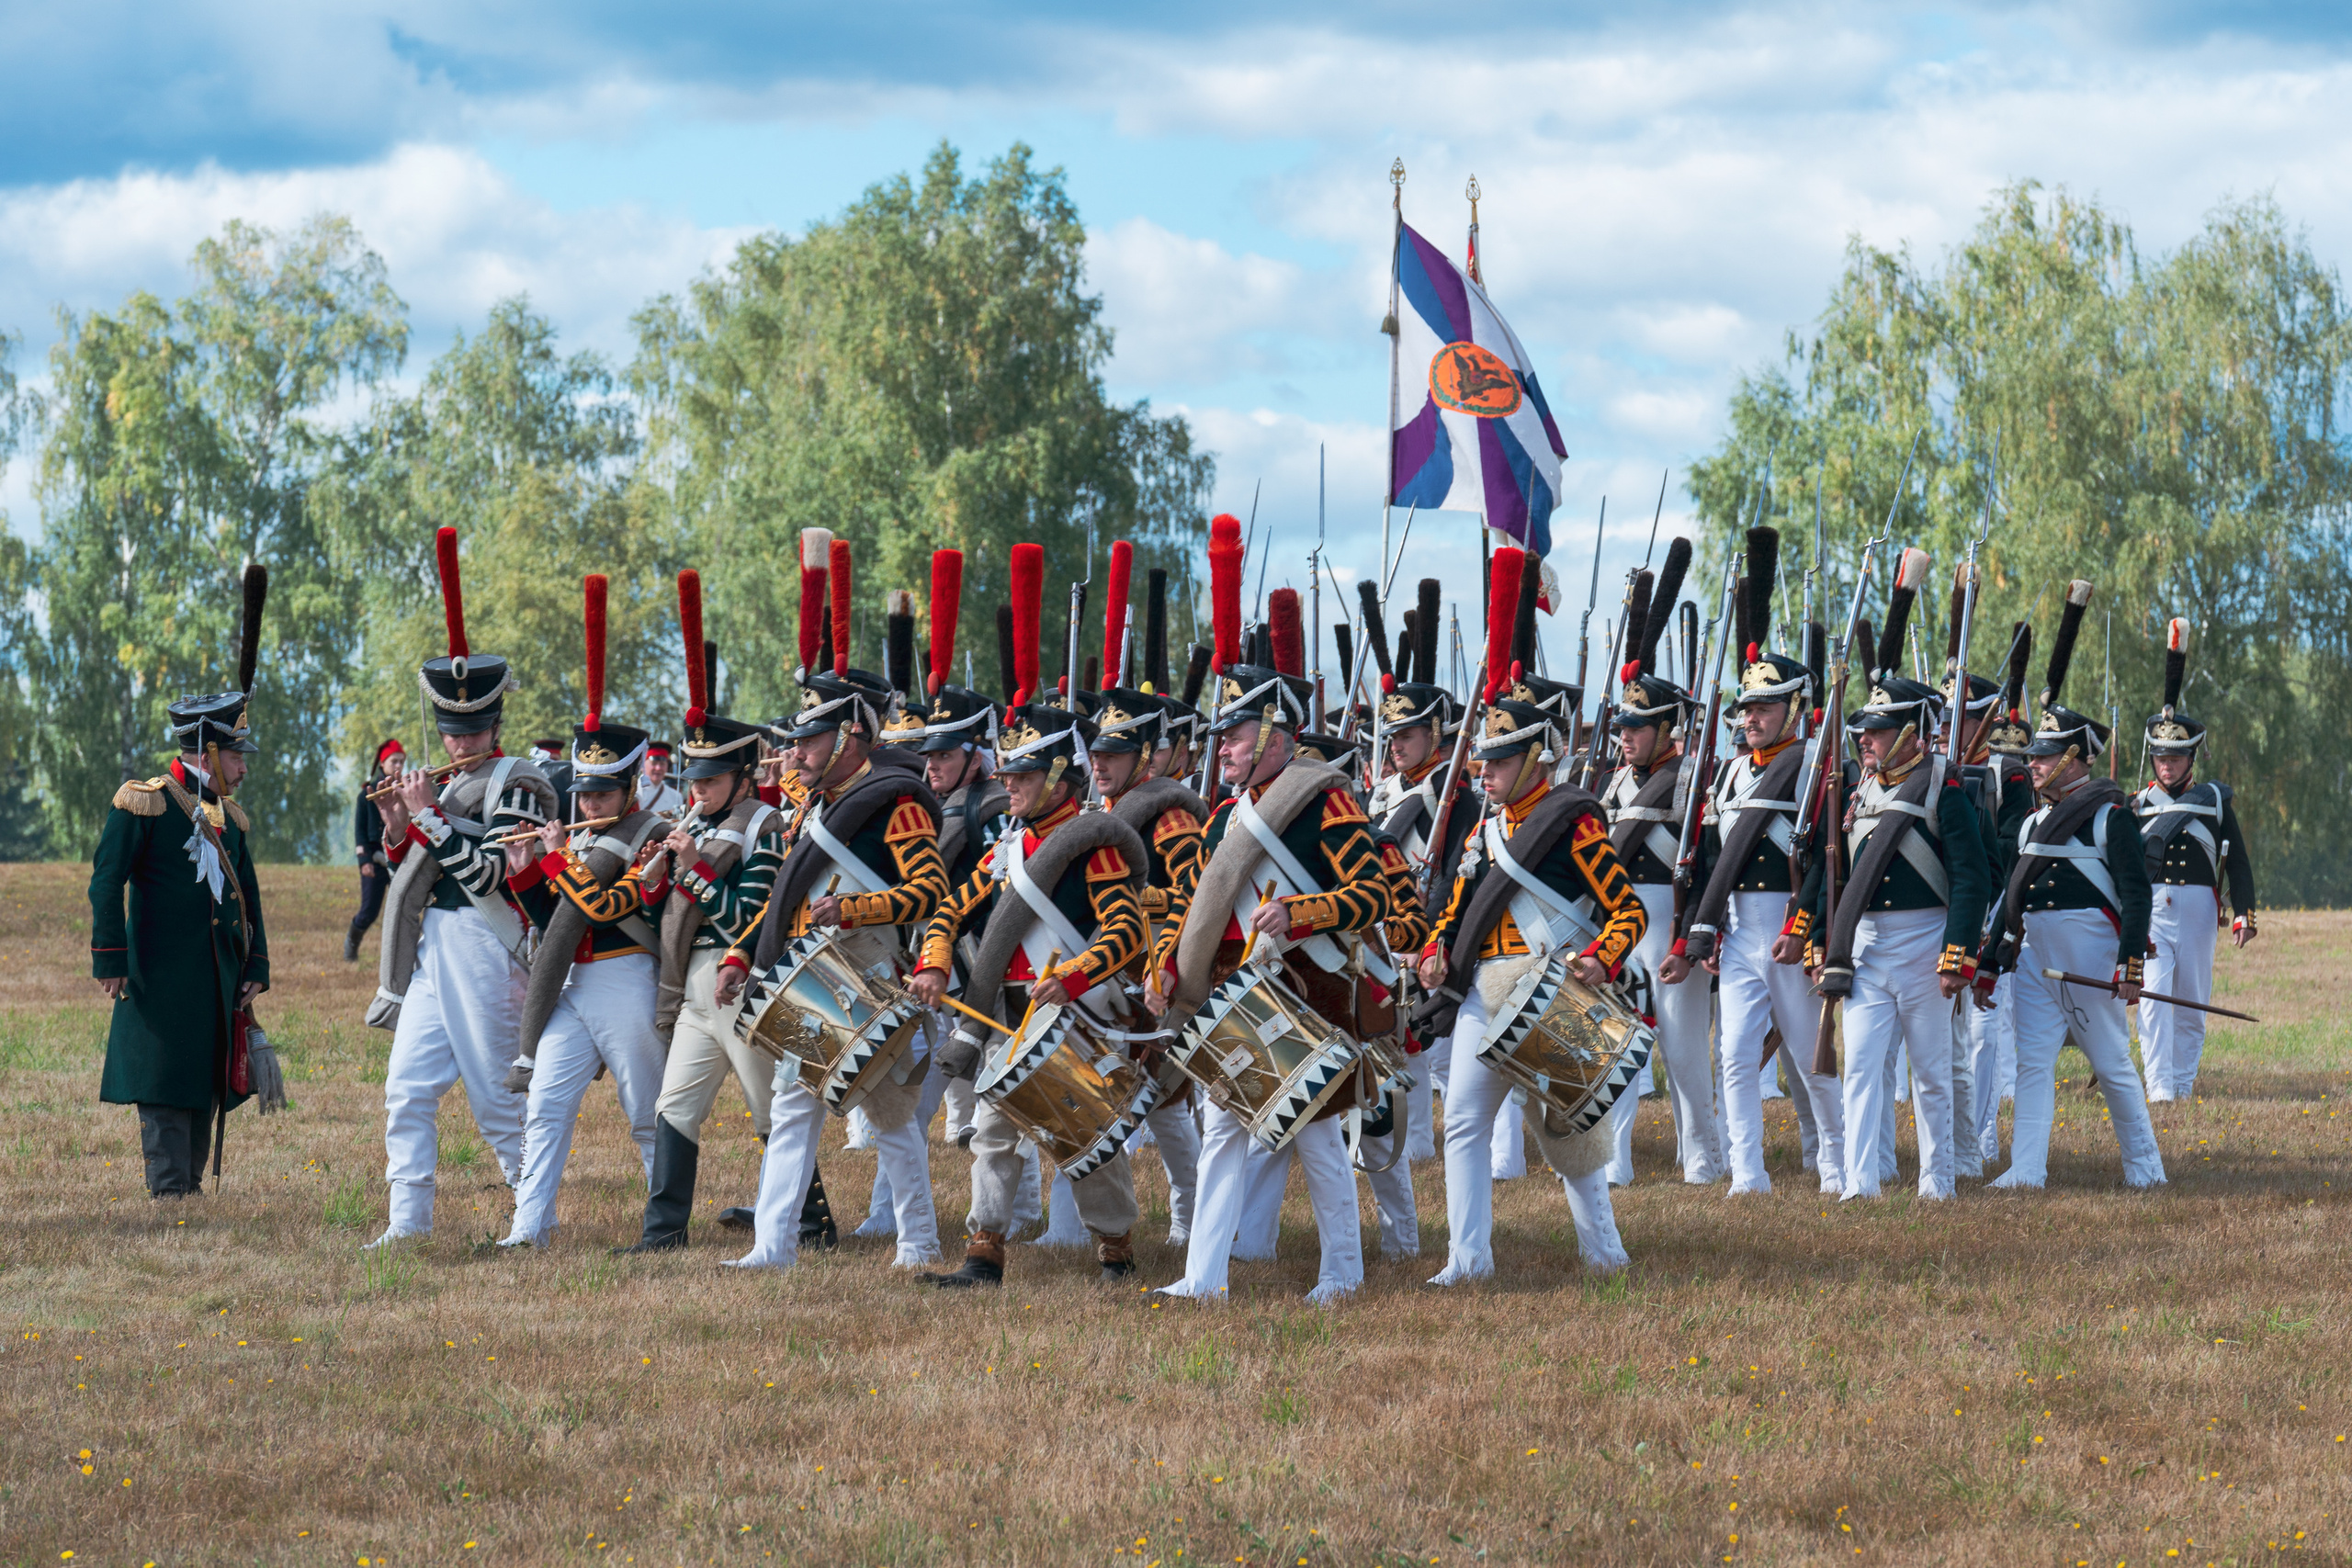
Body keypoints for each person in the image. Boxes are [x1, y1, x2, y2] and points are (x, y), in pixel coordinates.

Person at [1145, 555, 1392, 1305]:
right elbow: (1197, 910)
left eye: (1237, 733)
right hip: (1243, 995)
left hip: (1310, 990)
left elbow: (1373, 893)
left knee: (1318, 1140)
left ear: (1276, 730)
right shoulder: (1223, 817)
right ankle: (1204, 1276)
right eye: (1221, 736)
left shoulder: (1326, 801)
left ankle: (1342, 1273)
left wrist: (1301, 913)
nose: (1223, 748)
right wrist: (1165, 966)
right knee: (1223, 1128)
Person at [1413, 617, 1649, 1280]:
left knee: (1571, 1133)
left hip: (1552, 992)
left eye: (1500, 760)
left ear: (1537, 758)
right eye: (1483, 760)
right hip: (1484, 993)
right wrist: (1434, 951)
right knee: (1462, 1123)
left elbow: (1627, 910)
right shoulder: (1481, 834)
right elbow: (1452, 915)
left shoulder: (1573, 823)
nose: (1485, 772)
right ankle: (1467, 1259)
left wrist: (1603, 956)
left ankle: (1604, 1254)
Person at [716, 643, 950, 1272]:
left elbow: (930, 891)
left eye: (811, 739)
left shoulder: (895, 802)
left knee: (893, 1118)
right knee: (793, 1109)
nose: (797, 752)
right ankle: (773, 1246)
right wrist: (741, 952)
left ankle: (919, 1242)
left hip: (868, 975)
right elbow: (785, 896)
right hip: (814, 974)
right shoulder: (814, 807)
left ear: (850, 733)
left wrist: (855, 910)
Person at [916, 695, 1151, 1286]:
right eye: (1009, 773)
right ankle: (984, 1253)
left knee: (1085, 1138)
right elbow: (950, 909)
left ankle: (1116, 1251)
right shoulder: (1007, 850)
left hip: (1074, 1012)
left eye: (1022, 774)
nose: (1009, 784)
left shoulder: (1092, 847)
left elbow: (1127, 932)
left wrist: (1072, 977)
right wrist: (937, 962)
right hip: (1009, 1015)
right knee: (993, 1136)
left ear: (1055, 777)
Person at [367, 530, 557, 1246]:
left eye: (473, 729)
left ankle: (531, 1217)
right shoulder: (442, 787)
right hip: (433, 951)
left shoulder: (522, 782)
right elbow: (416, 876)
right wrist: (398, 825)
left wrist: (429, 818)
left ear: (496, 722)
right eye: (452, 730)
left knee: (495, 1101)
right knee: (406, 1089)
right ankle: (407, 1222)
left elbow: (490, 876)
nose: (460, 743)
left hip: (488, 944)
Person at [91, 581, 281, 1201]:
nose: (245, 767)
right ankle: (170, 1190)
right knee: (165, 1081)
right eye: (237, 755)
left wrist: (255, 965)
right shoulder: (143, 803)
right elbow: (106, 880)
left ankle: (186, 1189)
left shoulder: (232, 818)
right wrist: (110, 957)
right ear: (208, 751)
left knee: (202, 1082)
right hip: (159, 978)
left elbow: (247, 899)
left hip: (216, 981)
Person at [497, 576, 672, 1247]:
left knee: (644, 1111)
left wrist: (555, 860)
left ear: (629, 787)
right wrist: (525, 877)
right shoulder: (586, 838)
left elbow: (603, 907)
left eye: (603, 792)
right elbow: (556, 918)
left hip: (627, 975)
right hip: (576, 981)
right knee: (546, 1105)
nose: (590, 803)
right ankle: (528, 1226)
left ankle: (664, 1223)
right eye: (586, 792)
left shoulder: (649, 834)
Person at [618, 574, 787, 1252]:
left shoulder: (764, 822)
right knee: (674, 1107)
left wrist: (692, 869)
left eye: (710, 780)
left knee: (773, 1110)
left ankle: (810, 1221)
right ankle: (663, 1233)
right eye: (693, 779)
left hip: (738, 977)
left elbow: (754, 911)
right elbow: (661, 904)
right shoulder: (694, 819)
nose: (698, 790)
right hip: (692, 981)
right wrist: (658, 871)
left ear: (743, 777)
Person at [1976, 581, 2165, 1190]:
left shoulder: (2112, 816)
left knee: (2111, 1064)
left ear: (2077, 758)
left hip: (2089, 955)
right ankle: (2026, 1168)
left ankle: (2145, 1168)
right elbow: (2015, 896)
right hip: (2035, 955)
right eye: (2035, 753)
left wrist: (2131, 960)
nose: (2032, 762)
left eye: (2046, 753)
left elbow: (2137, 895)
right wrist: (1992, 956)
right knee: (2031, 1064)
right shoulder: (2031, 819)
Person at [1679, 528, 1846, 1196]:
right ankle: (1747, 1172)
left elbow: (1829, 857)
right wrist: (1707, 925)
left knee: (1812, 1058)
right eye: (1747, 707)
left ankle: (1835, 1159)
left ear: (1796, 710)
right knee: (1734, 1057)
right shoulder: (1726, 776)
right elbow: (1716, 857)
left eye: (1765, 707)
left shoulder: (1813, 769)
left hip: (1788, 927)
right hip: (1740, 929)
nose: (1751, 717)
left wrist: (1803, 926)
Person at [1809, 669, 1990, 1201]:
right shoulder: (1862, 786)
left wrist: (1955, 955)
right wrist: (1826, 940)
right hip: (1867, 945)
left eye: (1879, 730)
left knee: (1930, 1073)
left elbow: (1971, 876)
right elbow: (1837, 875)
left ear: (1911, 732)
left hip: (1924, 940)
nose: (1865, 737)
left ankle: (1937, 1180)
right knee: (1863, 1067)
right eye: (1865, 729)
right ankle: (1860, 1182)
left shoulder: (1942, 784)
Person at [1599, 547, 1731, 1186]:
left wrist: (1692, 938)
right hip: (1623, 924)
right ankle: (1616, 1159)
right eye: (1624, 726)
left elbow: (1706, 867)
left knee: (1682, 1050)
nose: (1625, 736)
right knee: (1620, 1044)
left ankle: (1703, 1154)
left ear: (1668, 728)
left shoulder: (1690, 781)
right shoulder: (1612, 784)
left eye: (1639, 726)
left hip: (1671, 924)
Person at [1095, 687, 1207, 1248]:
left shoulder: (1168, 817)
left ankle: (1192, 1220)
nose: (1099, 765)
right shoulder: (1103, 816)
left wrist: (1142, 909)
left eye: (1112, 756)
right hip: (1107, 974)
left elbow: (1195, 893)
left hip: (1155, 977)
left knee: (1163, 1108)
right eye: (1095, 755)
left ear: (1143, 757)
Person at [2133, 617, 2256, 1102]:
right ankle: (2159, 1088)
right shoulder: (2136, 805)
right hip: (2150, 907)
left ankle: (2181, 1086)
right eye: (2161, 756)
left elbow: (2240, 862)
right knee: (2151, 1000)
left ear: (2191, 757)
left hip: (2201, 909)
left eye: (2176, 756)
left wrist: (2244, 910)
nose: (2167, 764)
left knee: (2190, 1001)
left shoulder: (2214, 801)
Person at [916, 682, 1008, 1150]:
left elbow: (1003, 895)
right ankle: (888, 1215)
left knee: (1001, 1091)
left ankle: (1028, 1208)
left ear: (975, 756)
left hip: (979, 961)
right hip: (935, 961)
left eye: (945, 754)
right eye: (930, 755)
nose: (932, 763)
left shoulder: (992, 810)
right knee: (913, 1101)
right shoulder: (936, 806)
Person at [346, 739, 404, 962]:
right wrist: (364, 861)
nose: (398, 765)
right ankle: (351, 945)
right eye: (394, 761)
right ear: (383, 764)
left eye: (402, 761)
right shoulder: (366, 796)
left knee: (405, 907)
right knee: (369, 912)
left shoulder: (404, 792)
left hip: (399, 859)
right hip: (375, 858)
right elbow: (360, 831)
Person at [639, 740, 684, 818]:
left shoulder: (676, 797)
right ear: (642, 766)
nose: (658, 768)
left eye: (662, 764)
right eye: (654, 763)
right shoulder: (631, 793)